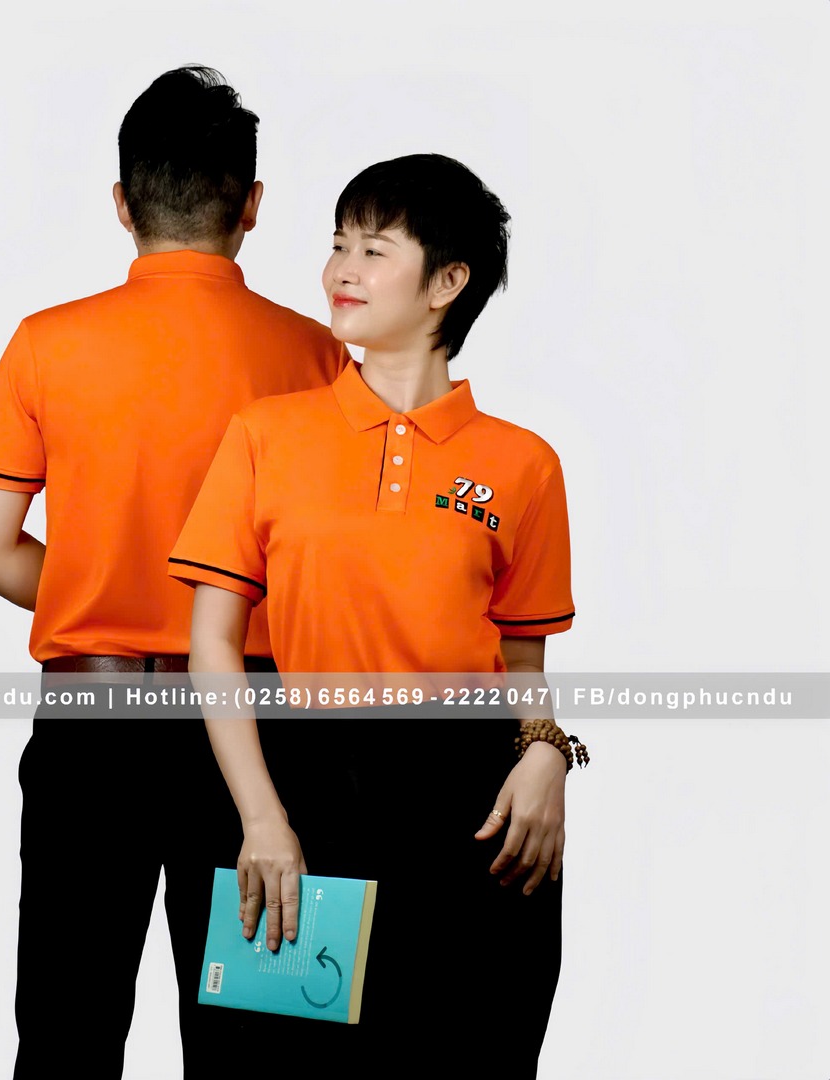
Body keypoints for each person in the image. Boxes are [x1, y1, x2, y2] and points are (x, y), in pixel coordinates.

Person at [0, 67, 346, 1078]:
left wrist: (95, 585)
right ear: (251, 205)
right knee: (262, 1040)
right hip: (260, 734)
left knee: (66, 1036)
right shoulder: (318, 357)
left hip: (93, 730)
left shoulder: (46, 344)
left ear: (124, 203)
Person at [169, 153, 577, 1076]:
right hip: (307, 787)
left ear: (447, 282)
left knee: (470, 1057)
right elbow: (214, 644)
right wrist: (262, 819)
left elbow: (523, 662)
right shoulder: (266, 435)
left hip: (474, 810)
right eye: (338, 244)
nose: (341, 270)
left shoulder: (524, 464)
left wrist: (547, 753)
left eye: (373, 249)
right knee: (283, 1065)